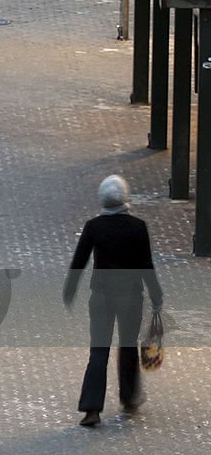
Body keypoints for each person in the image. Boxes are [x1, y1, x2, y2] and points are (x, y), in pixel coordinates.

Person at [63, 174, 163, 427]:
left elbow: (79, 261)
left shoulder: (93, 227)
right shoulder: (137, 227)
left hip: (101, 297)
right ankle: (129, 397)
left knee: (98, 350)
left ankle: (91, 409)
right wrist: (156, 295)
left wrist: (70, 290)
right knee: (128, 346)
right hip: (130, 297)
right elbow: (146, 266)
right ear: (126, 198)